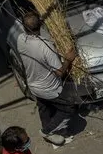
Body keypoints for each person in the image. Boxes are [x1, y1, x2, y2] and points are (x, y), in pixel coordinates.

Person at [18, 10, 80, 147]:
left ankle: (52, 134)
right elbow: (59, 72)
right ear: (40, 25)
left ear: (23, 27)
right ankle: (47, 131)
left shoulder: (20, 40)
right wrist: (68, 60)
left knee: (44, 108)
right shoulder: (44, 46)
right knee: (68, 108)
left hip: (33, 85)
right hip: (49, 88)